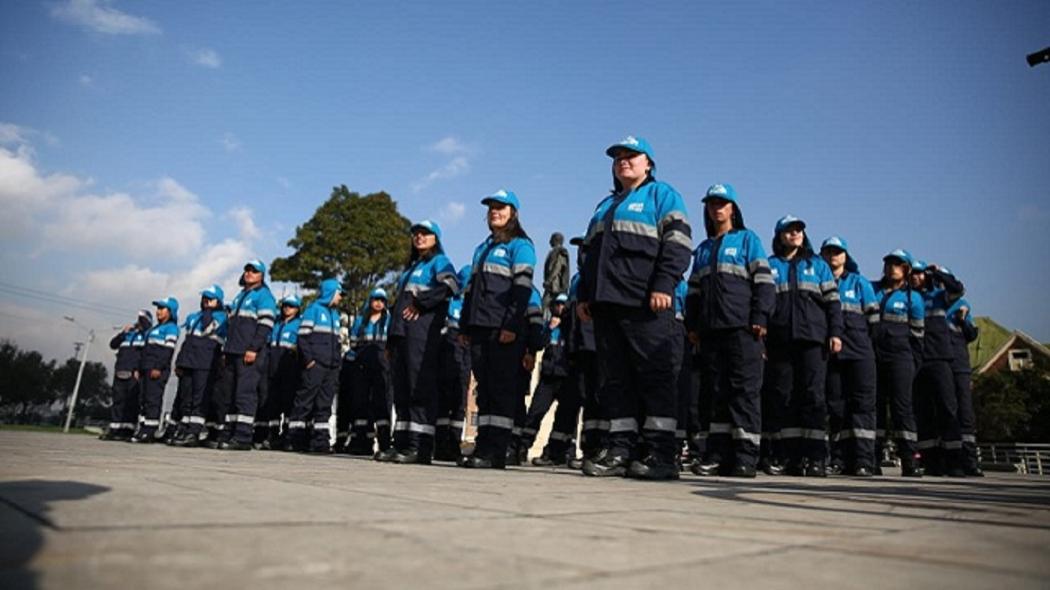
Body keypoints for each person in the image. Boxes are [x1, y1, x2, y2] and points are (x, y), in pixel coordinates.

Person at [577, 136, 692, 480]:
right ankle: (620, 450)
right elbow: (588, 255)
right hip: (607, 305)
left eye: (631, 156)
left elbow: (678, 243)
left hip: (645, 302)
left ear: (648, 164)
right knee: (616, 380)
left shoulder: (662, 195)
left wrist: (663, 284)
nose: (623, 161)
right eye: (618, 158)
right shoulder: (605, 206)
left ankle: (661, 454)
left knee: (655, 376)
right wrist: (584, 296)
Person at [686, 184, 775, 478]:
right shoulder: (703, 250)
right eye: (712, 204)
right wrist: (693, 326)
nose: (716, 209)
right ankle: (717, 455)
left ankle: (746, 456)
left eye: (722, 204)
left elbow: (764, 283)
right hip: (711, 332)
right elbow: (694, 293)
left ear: (733, 209)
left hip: (743, 329)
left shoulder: (748, 240)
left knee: (744, 392)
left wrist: (760, 316)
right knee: (715, 394)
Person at [459, 190, 537, 469]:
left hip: (502, 328)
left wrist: (512, 325)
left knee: (501, 389)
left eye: (501, 208)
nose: (495, 212)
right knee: (485, 389)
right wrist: (465, 326)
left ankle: (496, 450)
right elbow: (470, 292)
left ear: (513, 213)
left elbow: (522, 290)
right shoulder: (482, 249)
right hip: (479, 327)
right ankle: (483, 445)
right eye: (491, 208)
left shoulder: (521, 246)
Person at [762, 215, 843, 477]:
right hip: (780, 342)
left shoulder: (817, 265)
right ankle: (790, 457)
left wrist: (835, 333)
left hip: (812, 341)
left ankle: (817, 457)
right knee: (783, 397)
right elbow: (763, 305)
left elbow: (833, 304)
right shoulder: (770, 265)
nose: (794, 233)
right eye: (789, 230)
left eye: (798, 230)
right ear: (779, 235)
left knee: (813, 397)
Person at [378, 220, 459, 464]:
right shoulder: (410, 268)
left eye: (426, 233)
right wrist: (391, 341)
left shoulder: (439, 262)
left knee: (419, 386)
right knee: (402, 388)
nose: (419, 237)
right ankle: (401, 442)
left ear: (436, 238)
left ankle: (419, 445)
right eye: (416, 234)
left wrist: (421, 303)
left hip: (422, 333)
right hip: (402, 334)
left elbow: (452, 285)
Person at [820, 236, 879, 476]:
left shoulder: (859, 283)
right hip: (832, 356)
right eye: (829, 251)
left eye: (838, 251)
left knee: (862, 406)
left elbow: (874, 322)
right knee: (836, 407)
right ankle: (839, 459)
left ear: (845, 255)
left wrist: (865, 345)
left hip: (860, 354)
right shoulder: (820, 282)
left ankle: (864, 459)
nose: (833, 255)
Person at [213, 259, 278, 451]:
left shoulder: (264, 296)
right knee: (230, 394)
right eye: (247, 270)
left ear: (262, 275)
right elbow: (231, 328)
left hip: (249, 352)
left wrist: (254, 348)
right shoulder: (240, 296)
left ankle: (242, 436)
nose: (249, 273)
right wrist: (226, 350)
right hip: (233, 351)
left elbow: (265, 325)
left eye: (255, 271)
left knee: (245, 394)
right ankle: (229, 433)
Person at [872, 249, 925, 476]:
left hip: (901, 358)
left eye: (898, 264)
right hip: (875, 357)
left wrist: (913, 364)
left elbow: (918, 337)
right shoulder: (873, 290)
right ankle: (872, 458)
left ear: (906, 269)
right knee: (875, 409)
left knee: (902, 409)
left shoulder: (913, 299)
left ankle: (910, 460)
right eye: (889, 264)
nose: (892, 268)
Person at [913, 261, 966, 476]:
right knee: (923, 412)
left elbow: (958, 289)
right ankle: (931, 462)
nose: (915, 277)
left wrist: (938, 273)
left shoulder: (939, 297)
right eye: (913, 273)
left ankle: (954, 462)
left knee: (947, 408)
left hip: (940, 359)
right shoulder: (909, 298)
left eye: (919, 273)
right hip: (917, 361)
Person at [523, 294, 580, 466]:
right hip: (548, 377)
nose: (560, 308)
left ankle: (560, 452)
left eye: (563, 304)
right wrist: (549, 329)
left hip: (566, 377)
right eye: (557, 304)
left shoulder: (572, 326)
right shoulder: (550, 326)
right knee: (534, 413)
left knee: (566, 417)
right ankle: (522, 447)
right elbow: (539, 343)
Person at [287, 279, 343, 453]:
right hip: (316, 365)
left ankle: (320, 441)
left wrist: (337, 364)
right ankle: (295, 438)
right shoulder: (313, 310)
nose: (341, 298)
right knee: (305, 401)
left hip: (331, 367)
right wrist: (310, 361)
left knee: (324, 404)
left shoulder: (335, 315)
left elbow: (338, 342)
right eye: (339, 293)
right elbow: (302, 337)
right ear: (331, 293)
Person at [169, 285, 227, 447]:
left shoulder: (222, 317)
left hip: (205, 363)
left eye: (210, 298)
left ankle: (194, 431)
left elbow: (209, 329)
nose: (206, 301)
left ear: (218, 301)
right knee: (185, 397)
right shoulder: (193, 317)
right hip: (189, 362)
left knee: (199, 398)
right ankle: (184, 428)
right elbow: (186, 341)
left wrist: (209, 311)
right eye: (204, 298)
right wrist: (180, 361)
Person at [565, 236, 602, 469]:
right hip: (579, 347)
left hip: (596, 346)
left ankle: (597, 448)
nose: (581, 253)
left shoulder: (597, 276)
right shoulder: (577, 280)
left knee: (597, 398)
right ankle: (588, 448)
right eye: (579, 249)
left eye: (585, 249)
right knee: (583, 396)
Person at [344, 288, 392, 456]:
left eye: (382, 300)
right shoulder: (360, 321)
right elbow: (353, 342)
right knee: (361, 401)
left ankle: (385, 441)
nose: (379, 303)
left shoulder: (389, 320)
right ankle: (362, 440)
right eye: (376, 299)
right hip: (362, 364)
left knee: (382, 401)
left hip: (382, 365)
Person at [943, 268, 982, 476]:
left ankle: (970, 460)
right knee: (947, 411)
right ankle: (952, 461)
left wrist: (963, 321)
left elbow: (971, 334)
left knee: (965, 412)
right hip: (940, 363)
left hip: (959, 364)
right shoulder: (933, 303)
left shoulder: (961, 306)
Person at [434, 266, 473, 462]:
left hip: (466, 356)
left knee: (460, 402)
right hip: (448, 352)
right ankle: (440, 443)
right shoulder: (450, 302)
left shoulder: (472, 305)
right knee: (445, 400)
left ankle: (454, 442)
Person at [131, 297, 179, 443]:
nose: (158, 312)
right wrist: (138, 368)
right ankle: (142, 428)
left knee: (153, 399)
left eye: (162, 308)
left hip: (157, 370)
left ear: (170, 311)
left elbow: (167, 351)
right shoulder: (152, 330)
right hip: (145, 369)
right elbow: (144, 352)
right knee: (143, 400)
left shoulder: (171, 328)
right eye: (157, 308)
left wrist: (158, 367)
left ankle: (150, 431)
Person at [100, 310, 152, 441]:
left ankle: (127, 430)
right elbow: (113, 344)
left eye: (142, 320)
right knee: (118, 401)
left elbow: (145, 355)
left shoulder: (146, 336)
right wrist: (123, 333)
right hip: (120, 372)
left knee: (131, 402)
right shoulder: (128, 335)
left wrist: (139, 370)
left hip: (133, 374)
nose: (138, 322)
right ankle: (115, 428)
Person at [258, 295, 301, 450]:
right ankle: (272, 434)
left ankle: (287, 436)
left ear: (297, 309)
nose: (287, 308)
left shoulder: (299, 325)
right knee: (273, 404)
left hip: (289, 369)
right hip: (272, 369)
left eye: (291, 306)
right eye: (285, 305)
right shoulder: (276, 325)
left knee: (288, 403)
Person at [542, 232, 570, 310]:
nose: (549, 241)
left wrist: (549, 281)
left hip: (555, 286)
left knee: (544, 306)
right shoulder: (554, 251)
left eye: (551, 239)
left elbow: (557, 267)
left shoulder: (560, 252)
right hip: (552, 286)